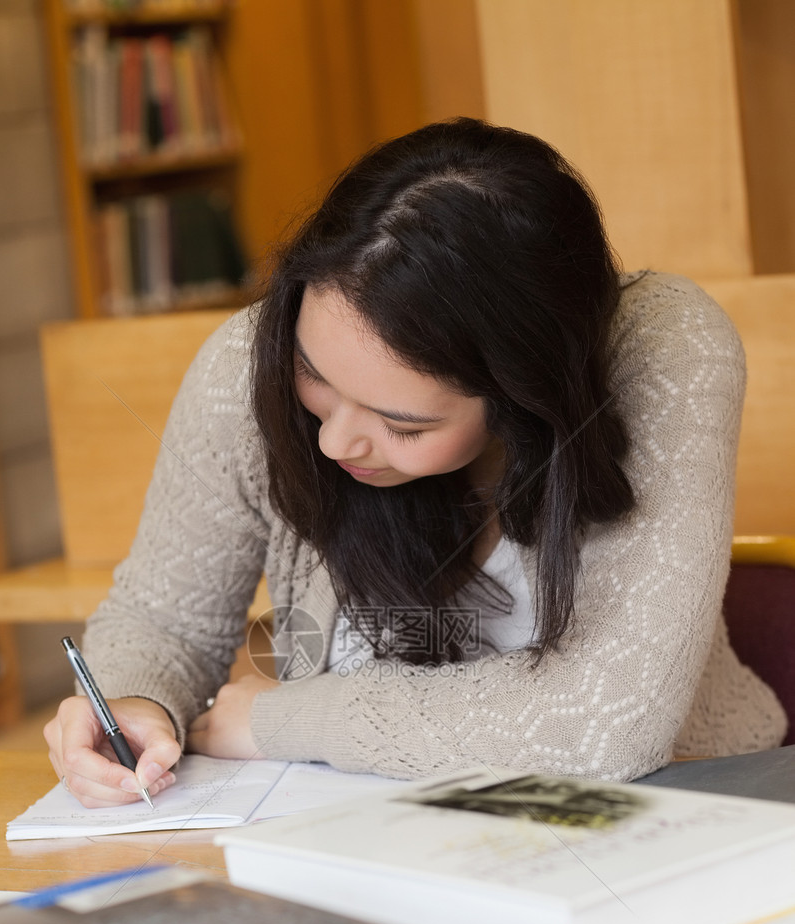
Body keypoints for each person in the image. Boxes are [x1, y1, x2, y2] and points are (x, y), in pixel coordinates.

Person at [45, 118, 786, 808]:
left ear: (523, 394)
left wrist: (286, 719)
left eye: (402, 423)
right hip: (365, 825)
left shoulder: (659, 344)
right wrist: (136, 703)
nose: (335, 444)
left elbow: (604, 719)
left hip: (682, 804)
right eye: (315, 378)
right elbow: (164, 622)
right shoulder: (246, 364)